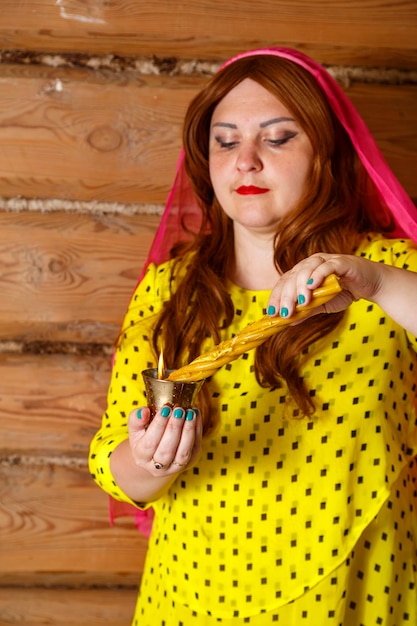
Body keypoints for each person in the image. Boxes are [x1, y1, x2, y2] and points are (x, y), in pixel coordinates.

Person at [89, 47, 417, 625]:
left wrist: (375, 282)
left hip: (357, 593)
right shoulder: (169, 291)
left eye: (278, 137)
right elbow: (114, 463)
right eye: (225, 140)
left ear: (325, 155)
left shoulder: (385, 273)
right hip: (190, 596)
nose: (245, 161)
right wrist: (149, 461)